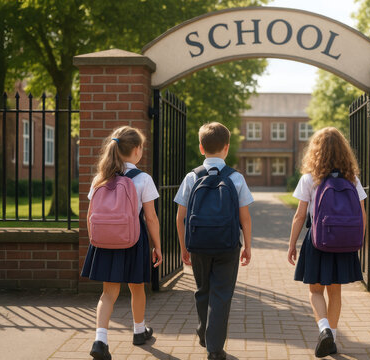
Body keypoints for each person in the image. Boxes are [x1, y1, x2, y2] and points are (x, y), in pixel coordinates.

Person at [81, 126, 163, 360]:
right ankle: (139, 332)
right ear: (136, 150)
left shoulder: (101, 178)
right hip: (134, 241)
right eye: (141, 148)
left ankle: (100, 340)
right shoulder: (143, 179)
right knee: (137, 288)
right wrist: (157, 246)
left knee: (108, 293)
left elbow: (90, 216)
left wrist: (95, 241)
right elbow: (150, 218)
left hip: (105, 242)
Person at [174, 122, 253, 360]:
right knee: (222, 294)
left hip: (198, 244)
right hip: (228, 245)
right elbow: (245, 218)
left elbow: (180, 218)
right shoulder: (236, 178)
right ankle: (215, 348)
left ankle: (203, 330)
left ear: (201, 147)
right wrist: (248, 245)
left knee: (202, 290)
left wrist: (183, 247)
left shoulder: (191, 177)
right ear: (227, 148)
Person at [287, 127, 367, 358]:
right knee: (336, 292)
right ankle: (331, 334)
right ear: (344, 151)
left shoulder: (309, 179)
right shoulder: (353, 179)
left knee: (315, 290)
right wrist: (358, 241)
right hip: (345, 243)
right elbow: (361, 213)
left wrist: (292, 244)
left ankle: (324, 331)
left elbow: (300, 216)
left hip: (318, 240)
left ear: (316, 151)